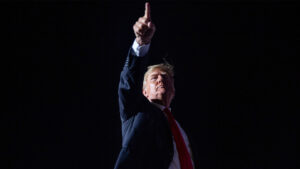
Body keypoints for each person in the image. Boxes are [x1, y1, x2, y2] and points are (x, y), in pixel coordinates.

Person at [114, 3, 197, 169]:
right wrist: (141, 43)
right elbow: (129, 85)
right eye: (154, 78)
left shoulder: (181, 132)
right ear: (144, 91)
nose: (160, 80)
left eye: (166, 78)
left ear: (173, 91)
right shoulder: (137, 111)